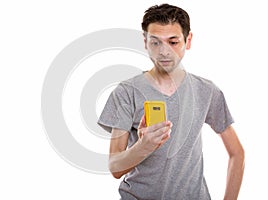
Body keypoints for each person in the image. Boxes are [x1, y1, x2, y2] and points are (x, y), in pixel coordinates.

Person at [98, 3, 244, 200]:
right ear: (145, 41)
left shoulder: (207, 91)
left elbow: (237, 153)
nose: (164, 52)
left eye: (173, 42)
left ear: (188, 40)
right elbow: (115, 167)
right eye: (155, 42)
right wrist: (144, 146)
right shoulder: (126, 92)